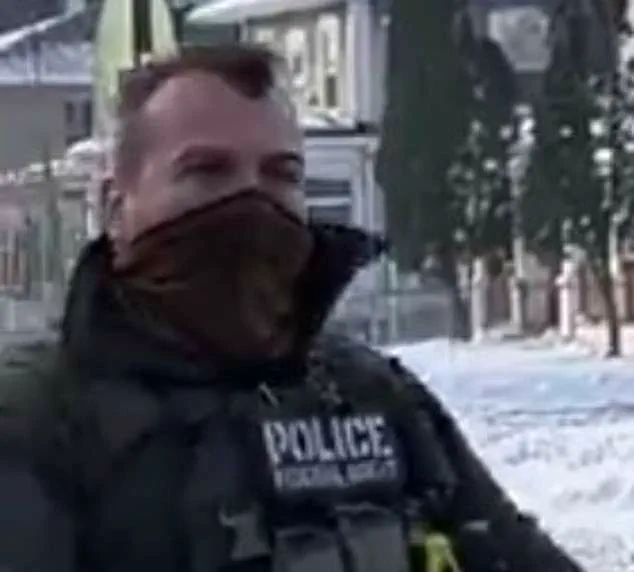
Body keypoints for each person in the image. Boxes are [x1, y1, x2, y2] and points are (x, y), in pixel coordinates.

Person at [0, 45, 583, 572]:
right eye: (206, 170)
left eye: (282, 174)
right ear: (114, 205)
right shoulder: (37, 423)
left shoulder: (373, 397)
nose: (251, 200)